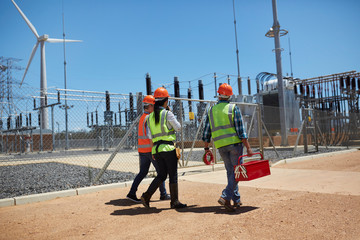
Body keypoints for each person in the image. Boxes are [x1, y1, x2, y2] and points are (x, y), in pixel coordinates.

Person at [202, 83, 254, 211]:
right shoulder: (233, 108)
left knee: (231, 172)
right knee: (237, 172)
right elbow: (240, 130)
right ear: (229, 96)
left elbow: (206, 132)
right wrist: (248, 147)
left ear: (218, 95)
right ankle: (225, 196)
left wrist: (206, 148)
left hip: (220, 146)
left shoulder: (211, 110)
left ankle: (236, 199)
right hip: (234, 144)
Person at [141, 87, 187, 209]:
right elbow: (178, 127)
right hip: (168, 148)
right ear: (166, 101)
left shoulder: (149, 117)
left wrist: (153, 151)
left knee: (161, 175)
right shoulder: (167, 114)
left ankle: (146, 196)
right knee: (173, 174)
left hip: (156, 149)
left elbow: (150, 135)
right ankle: (174, 201)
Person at [126, 95, 170, 203]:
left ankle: (132, 193)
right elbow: (151, 135)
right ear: (149, 106)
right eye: (154, 106)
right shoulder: (149, 118)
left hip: (142, 150)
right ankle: (163, 194)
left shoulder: (142, 117)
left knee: (142, 172)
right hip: (150, 150)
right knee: (161, 172)